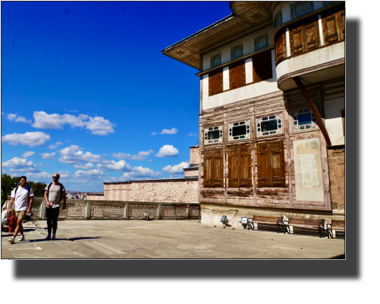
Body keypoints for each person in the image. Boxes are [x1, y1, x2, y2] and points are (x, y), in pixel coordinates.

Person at [7, 176, 34, 243]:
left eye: (25, 180)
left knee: (18, 222)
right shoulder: (16, 189)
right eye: (22, 180)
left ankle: (13, 237)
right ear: (20, 181)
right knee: (19, 223)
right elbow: (12, 199)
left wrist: (29, 208)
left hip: (24, 208)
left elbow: (31, 199)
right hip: (17, 208)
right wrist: (9, 208)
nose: (24, 181)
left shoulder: (29, 189)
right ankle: (22, 235)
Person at [44, 173, 66, 240]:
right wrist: (47, 201)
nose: (54, 178)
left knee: (54, 220)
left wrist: (64, 204)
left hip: (56, 205)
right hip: (49, 206)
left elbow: (64, 195)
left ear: (58, 177)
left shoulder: (61, 186)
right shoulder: (49, 185)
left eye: (55, 177)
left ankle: (54, 234)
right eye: (53, 177)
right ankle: (49, 234)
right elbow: (45, 194)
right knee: (48, 221)